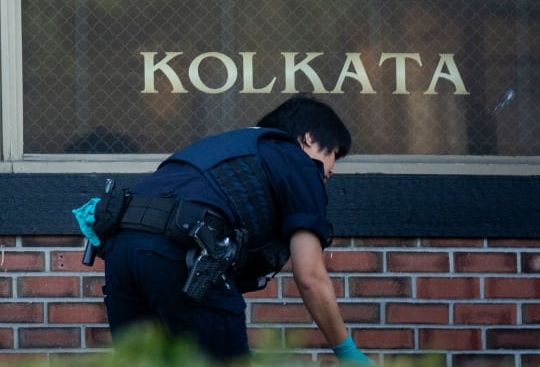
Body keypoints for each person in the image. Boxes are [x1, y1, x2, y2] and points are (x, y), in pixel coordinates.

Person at [74, 94, 374, 364]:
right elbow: (310, 275)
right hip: (184, 251)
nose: (331, 169)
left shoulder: (226, 149)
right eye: (333, 153)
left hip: (120, 248)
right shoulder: (299, 162)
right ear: (308, 139)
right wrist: (347, 352)